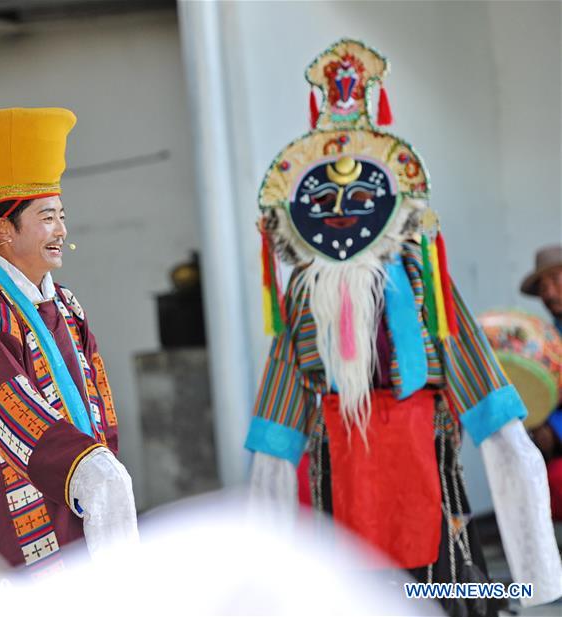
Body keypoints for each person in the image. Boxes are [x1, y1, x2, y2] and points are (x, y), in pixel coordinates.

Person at [245, 39, 562, 612]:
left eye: (362, 192)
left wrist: (534, 562)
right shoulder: (302, 289)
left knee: (441, 591)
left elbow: (487, 398)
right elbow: (276, 425)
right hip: (336, 469)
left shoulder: (423, 277)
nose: (343, 208)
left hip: (425, 463)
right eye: (327, 195)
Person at [0, 107, 138, 571]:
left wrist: (104, 470)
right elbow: (15, 413)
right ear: (4, 229)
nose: (62, 231)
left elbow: (99, 410)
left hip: (75, 497)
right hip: (17, 517)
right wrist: (91, 470)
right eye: (47, 217)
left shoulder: (67, 306)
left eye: (61, 216)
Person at [521, 244, 562, 518]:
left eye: (555, 280)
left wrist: (556, 431)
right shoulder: (547, 338)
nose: (548, 293)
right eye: (542, 287)